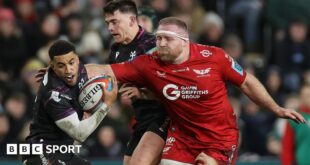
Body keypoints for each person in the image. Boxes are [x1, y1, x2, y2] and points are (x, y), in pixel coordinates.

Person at [86, 17, 306, 165]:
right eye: (158, 38)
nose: (160, 44)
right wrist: (69, 70)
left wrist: (276, 108)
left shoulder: (215, 57)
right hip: (182, 136)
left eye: (167, 39)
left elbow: (247, 83)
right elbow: (106, 69)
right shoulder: (149, 63)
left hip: (219, 138)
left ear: (184, 42)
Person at [23, 40, 117, 165]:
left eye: (71, 63)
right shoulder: (53, 95)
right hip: (40, 151)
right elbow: (80, 133)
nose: (69, 70)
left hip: (64, 151)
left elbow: (106, 70)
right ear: (53, 66)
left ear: (78, 59)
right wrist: (107, 104)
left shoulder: (81, 70)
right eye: (61, 65)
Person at [103, 1, 169, 165]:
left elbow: (172, 88)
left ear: (132, 20)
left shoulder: (154, 46)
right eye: (108, 23)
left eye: (114, 22)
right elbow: (113, 85)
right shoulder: (115, 52)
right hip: (141, 119)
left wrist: (141, 92)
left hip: (164, 116)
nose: (110, 28)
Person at [281, 84, 310, 165]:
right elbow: (287, 147)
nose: (308, 98)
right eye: (306, 95)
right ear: (301, 97)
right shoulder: (294, 118)